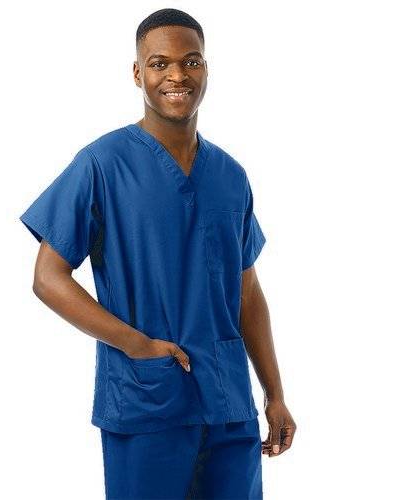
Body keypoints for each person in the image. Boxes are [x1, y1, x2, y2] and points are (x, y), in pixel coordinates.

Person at [19, 7, 296, 499]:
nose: (176, 75)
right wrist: (136, 345)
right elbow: (48, 278)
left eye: (191, 62)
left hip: (229, 403)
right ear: (137, 73)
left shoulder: (230, 175)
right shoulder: (102, 164)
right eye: (159, 63)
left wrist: (274, 393)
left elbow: (247, 290)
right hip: (147, 400)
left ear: (206, 69)